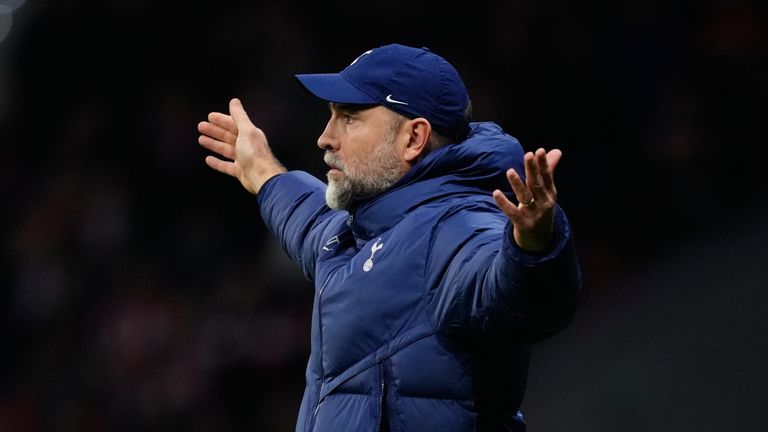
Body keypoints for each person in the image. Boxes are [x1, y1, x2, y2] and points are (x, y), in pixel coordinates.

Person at [197, 43, 581, 432]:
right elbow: (309, 219)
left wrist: (533, 246)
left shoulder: (456, 227)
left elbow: (518, 296)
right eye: (331, 116)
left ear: (413, 138)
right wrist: (263, 170)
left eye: (349, 117)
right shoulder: (355, 230)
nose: (325, 138)